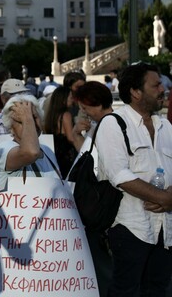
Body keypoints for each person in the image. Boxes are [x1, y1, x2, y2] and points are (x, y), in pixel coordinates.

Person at [95, 63, 172, 295]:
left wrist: (169, 199)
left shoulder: (165, 125)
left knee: (157, 289)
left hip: (165, 229)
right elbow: (119, 175)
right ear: (136, 92)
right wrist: (164, 198)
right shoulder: (114, 123)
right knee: (125, 290)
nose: (163, 89)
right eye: (156, 85)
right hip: (131, 227)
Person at [68, 81, 113, 296]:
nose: (83, 112)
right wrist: (77, 134)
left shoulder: (110, 126)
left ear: (95, 103)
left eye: (85, 108)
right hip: (95, 206)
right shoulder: (97, 127)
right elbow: (85, 157)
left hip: (102, 208)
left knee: (105, 269)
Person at [0, 94, 61, 192]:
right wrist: (27, 117)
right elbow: (31, 153)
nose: (31, 123)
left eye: (34, 117)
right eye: (22, 121)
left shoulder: (47, 150)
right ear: (10, 126)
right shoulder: (5, 148)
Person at [43, 86, 85, 178]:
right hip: (66, 154)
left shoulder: (51, 115)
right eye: (70, 97)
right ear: (63, 99)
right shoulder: (66, 115)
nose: (72, 100)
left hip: (54, 152)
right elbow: (70, 137)